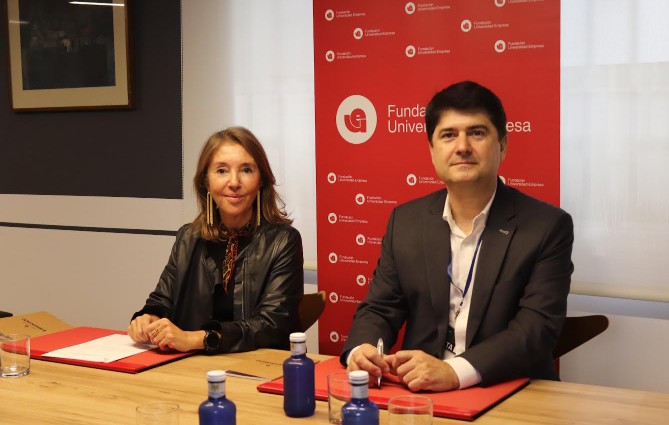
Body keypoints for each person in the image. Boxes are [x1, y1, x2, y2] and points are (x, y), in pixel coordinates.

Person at [341, 81, 574, 392]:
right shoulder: (405, 221)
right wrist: (362, 350)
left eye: (476, 133)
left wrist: (455, 371)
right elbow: (380, 308)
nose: (462, 146)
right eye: (448, 135)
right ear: (432, 150)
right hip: (419, 391)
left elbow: (535, 330)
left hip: (510, 390)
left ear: (502, 145)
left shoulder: (547, 226)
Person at [128, 127, 304, 354]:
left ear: (261, 180)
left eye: (246, 170)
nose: (234, 182)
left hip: (254, 366)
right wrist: (147, 318)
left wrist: (198, 338)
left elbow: (273, 324)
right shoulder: (187, 237)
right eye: (222, 170)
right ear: (206, 182)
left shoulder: (283, 241)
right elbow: (162, 300)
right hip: (189, 365)